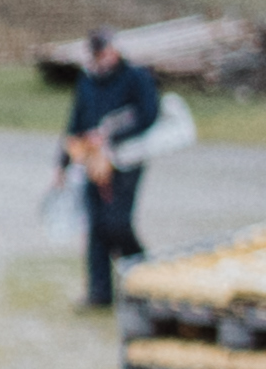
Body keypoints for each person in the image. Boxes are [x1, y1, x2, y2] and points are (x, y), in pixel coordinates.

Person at [54, 28, 175, 308]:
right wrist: (62, 162)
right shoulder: (88, 80)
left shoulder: (136, 77)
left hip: (126, 160)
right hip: (94, 161)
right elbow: (76, 122)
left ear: (114, 50)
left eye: (106, 52)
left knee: (117, 223)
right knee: (96, 225)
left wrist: (113, 135)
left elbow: (148, 115)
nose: (103, 59)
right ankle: (99, 293)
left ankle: (145, 278)